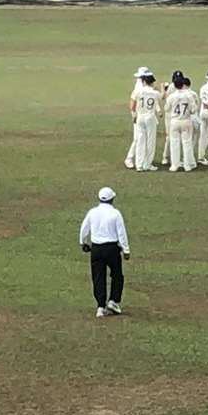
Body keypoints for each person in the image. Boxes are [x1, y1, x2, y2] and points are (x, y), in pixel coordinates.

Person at [79, 186, 130, 318]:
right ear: (112, 199)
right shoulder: (115, 213)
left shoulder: (92, 212)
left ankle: (100, 306)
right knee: (117, 275)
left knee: (98, 277)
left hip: (96, 249)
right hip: (112, 248)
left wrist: (83, 242)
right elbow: (121, 233)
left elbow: (84, 228)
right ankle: (113, 300)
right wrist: (126, 249)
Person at [166, 75, 199, 172]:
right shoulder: (189, 95)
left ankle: (174, 165)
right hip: (186, 120)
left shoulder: (172, 96)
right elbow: (193, 110)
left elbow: (166, 108)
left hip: (174, 121)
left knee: (174, 143)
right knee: (187, 143)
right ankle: (187, 165)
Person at [131, 72, 161, 171]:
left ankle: (139, 165)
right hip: (150, 116)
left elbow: (133, 104)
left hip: (140, 116)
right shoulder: (155, 93)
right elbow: (162, 97)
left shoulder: (138, 91)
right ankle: (147, 164)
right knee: (150, 141)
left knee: (140, 140)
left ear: (144, 82)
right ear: (152, 83)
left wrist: (134, 115)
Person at [124, 66, 152, 169]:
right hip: (139, 113)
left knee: (141, 138)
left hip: (142, 113)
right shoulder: (139, 86)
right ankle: (129, 158)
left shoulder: (141, 83)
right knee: (137, 138)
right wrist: (134, 114)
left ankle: (141, 159)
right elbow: (133, 102)